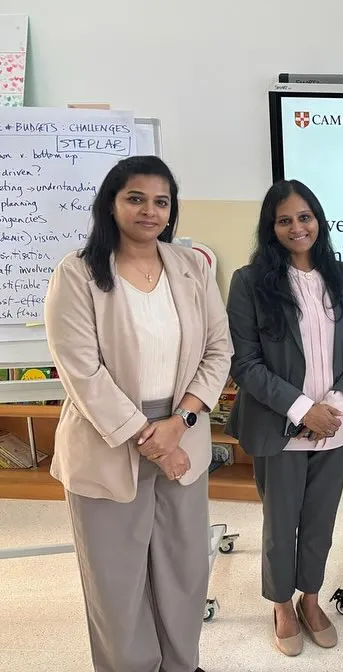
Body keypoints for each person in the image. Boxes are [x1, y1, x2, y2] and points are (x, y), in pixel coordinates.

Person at [43, 155, 233, 672]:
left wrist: (181, 422)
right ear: (111, 204)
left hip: (182, 430)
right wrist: (150, 439)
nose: (150, 211)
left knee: (183, 567)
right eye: (136, 199)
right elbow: (81, 371)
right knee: (116, 578)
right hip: (106, 437)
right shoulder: (78, 272)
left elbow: (219, 350)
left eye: (161, 202)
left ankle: (181, 664)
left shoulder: (192, 267)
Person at [225, 179, 343, 657]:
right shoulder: (250, 283)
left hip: (336, 424)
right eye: (284, 220)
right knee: (281, 524)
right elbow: (245, 363)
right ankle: (281, 605)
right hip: (280, 426)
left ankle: (310, 599)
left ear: (319, 221)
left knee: (319, 522)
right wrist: (303, 410)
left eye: (304, 217)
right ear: (270, 228)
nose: (297, 227)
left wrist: (333, 405)